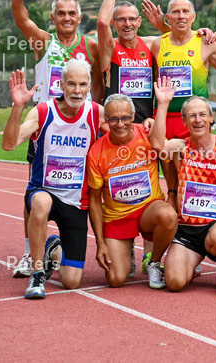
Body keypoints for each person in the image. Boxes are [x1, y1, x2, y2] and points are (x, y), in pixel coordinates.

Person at [6, 0, 99, 278]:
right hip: (45, 126)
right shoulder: (44, 42)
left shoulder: (91, 45)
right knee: (34, 191)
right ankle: (27, 253)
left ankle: (85, 243)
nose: (67, 18)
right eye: (61, 13)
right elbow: (22, 21)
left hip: (82, 128)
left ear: (80, 17)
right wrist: (18, 0)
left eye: (72, 13)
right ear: (54, 18)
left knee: (87, 188)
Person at [2, 60, 106, 299]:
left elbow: (126, 130)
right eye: (71, 84)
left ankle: (53, 248)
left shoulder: (96, 113)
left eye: (82, 84)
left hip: (75, 203)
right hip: (43, 190)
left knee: (71, 281)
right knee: (41, 203)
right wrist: (17, 107)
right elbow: (9, 144)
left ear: (89, 86)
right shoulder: (42, 112)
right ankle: (37, 273)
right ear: (61, 84)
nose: (77, 90)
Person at [149, 85, 216, 296]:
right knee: (174, 282)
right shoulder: (180, 147)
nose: (197, 120)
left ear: (211, 118)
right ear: (184, 122)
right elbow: (156, 144)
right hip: (187, 231)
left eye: (202, 114)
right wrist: (162, 104)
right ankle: (191, 264)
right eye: (192, 116)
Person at [96, 0, 162, 275]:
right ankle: (120, 243)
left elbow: (180, 38)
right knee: (116, 187)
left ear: (139, 22)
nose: (125, 24)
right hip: (116, 127)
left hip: (146, 129)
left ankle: (155, 252)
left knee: (151, 189)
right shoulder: (110, 49)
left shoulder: (150, 47)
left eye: (131, 19)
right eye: (120, 20)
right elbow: (99, 23)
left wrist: (202, 30)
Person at [87, 92, 177, 289]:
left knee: (169, 215)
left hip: (148, 210)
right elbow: (94, 199)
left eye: (125, 118)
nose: (120, 124)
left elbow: (167, 161)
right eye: (114, 119)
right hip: (116, 216)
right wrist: (100, 242)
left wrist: (172, 194)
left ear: (134, 115)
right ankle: (124, 248)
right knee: (116, 279)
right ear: (106, 119)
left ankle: (154, 262)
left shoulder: (148, 133)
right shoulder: (96, 152)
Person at [148, 0, 216, 204]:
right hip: (164, 117)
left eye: (185, 11)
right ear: (167, 18)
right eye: (176, 12)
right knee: (171, 179)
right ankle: (172, 206)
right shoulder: (157, 45)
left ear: (194, 16)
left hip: (192, 120)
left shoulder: (206, 42)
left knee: (194, 173)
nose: (181, 16)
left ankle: (200, 216)